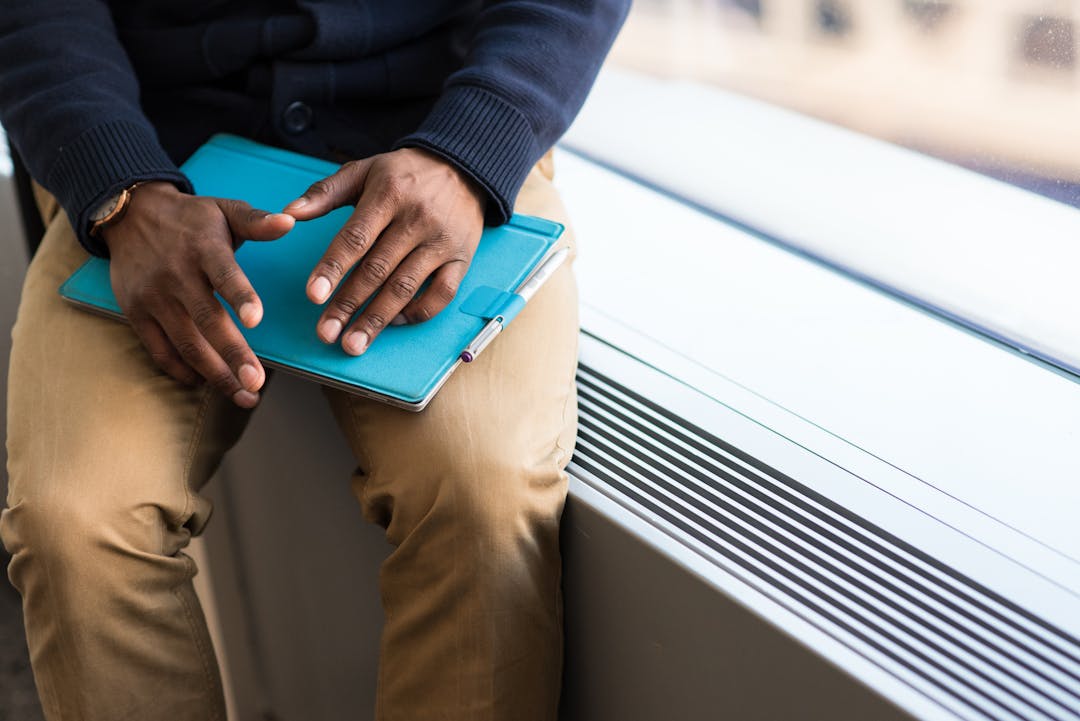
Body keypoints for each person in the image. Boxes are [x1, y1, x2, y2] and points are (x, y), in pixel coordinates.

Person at [0, 2, 628, 719]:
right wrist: (115, 185)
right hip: (149, 163)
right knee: (71, 528)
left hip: (441, 144)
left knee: (481, 497)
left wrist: (470, 148)